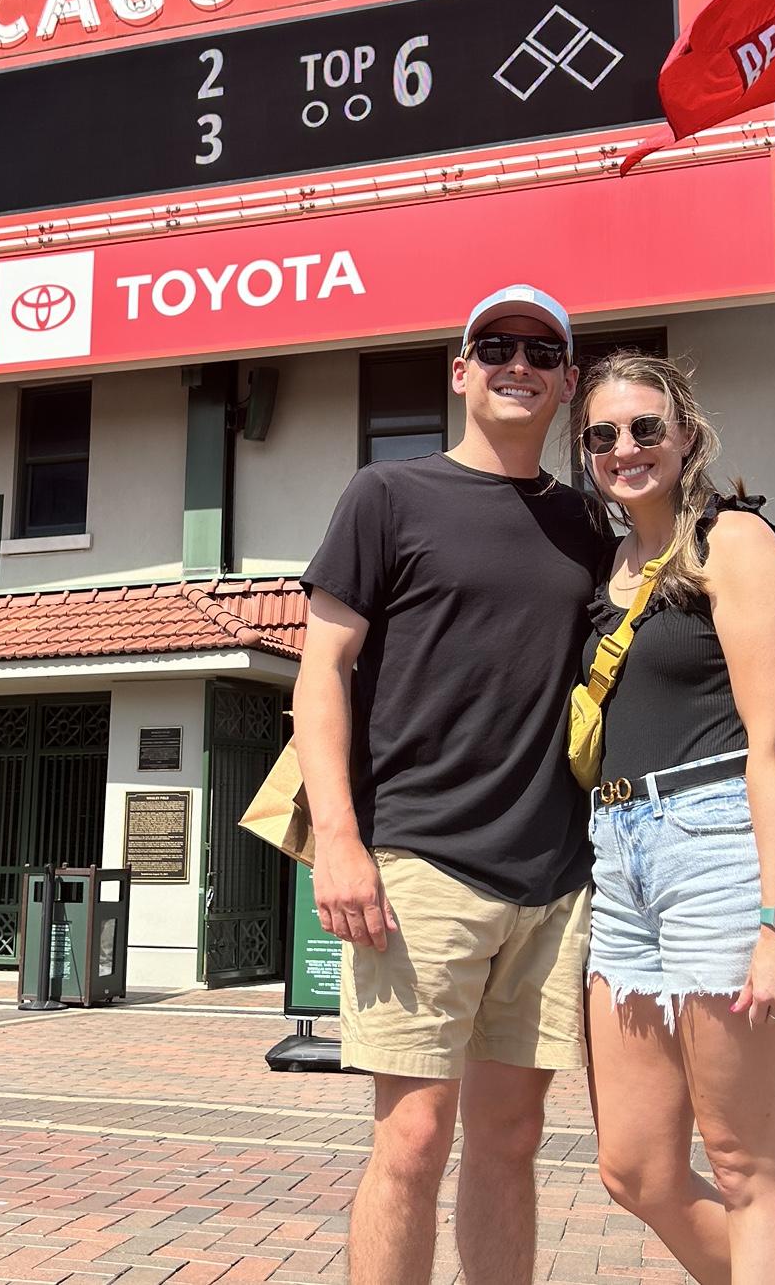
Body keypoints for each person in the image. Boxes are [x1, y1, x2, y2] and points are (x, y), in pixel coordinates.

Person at [295, 285, 606, 1285]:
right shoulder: (387, 495)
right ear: (461, 369)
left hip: (555, 876)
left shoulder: (589, 524)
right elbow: (322, 670)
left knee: (512, 1138)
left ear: (567, 381)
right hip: (420, 863)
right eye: (496, 345)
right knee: (415, 1137)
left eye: (542, 351)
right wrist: (339, 840)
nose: (518, 363)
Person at [574, 349, 775, 1285]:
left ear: (686, 435)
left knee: (745, 1164)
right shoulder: (605, 567)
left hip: (718, 845)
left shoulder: (734, 540)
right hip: (619, 860)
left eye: (647, 427)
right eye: (603, 435)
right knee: (634, 1169)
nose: (626, 447)